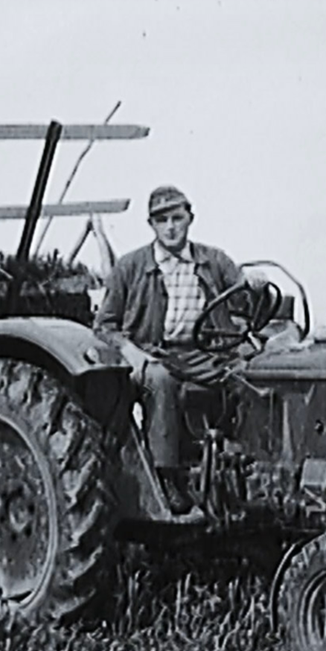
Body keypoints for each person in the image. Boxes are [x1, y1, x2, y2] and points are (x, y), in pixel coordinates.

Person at [94, 184, 260, 512]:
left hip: (205, 351)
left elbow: (242, 297)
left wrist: (252, 283)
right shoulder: (130, 267)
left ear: (189, 219)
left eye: (176, 218)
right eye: (161, 220)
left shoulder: (214, 260)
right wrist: (130, 350)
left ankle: (246, 464)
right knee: (160, 381)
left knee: (249, 375)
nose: (170, 227)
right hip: (156, 353)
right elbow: (103, 325)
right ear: (152, 226)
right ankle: (166, 475)